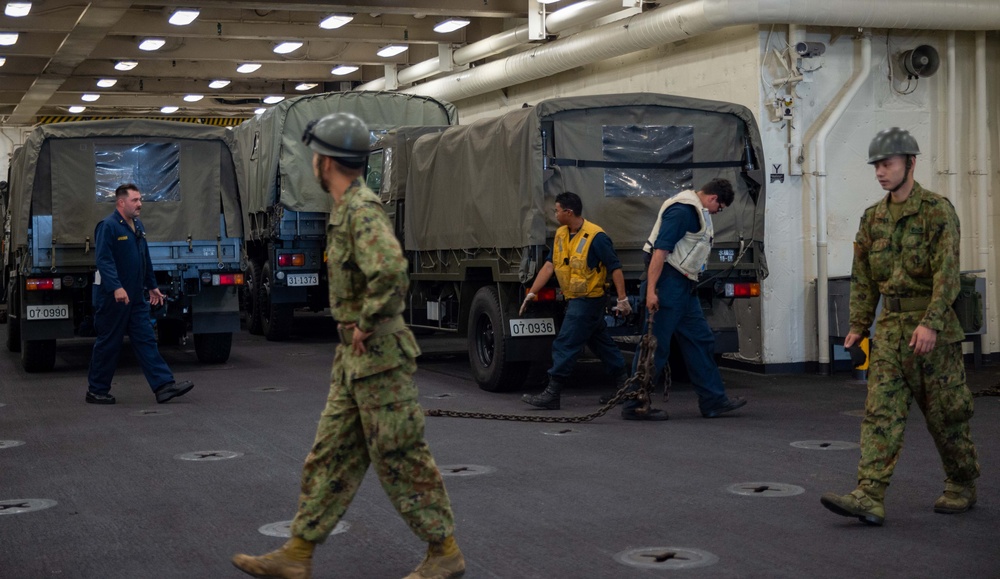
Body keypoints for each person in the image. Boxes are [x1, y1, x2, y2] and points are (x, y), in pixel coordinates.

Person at [232, 112, 464, 579]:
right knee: (330, 455)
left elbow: (392, 272)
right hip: (354, 362)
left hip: (378, 357)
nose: (314, 162)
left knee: (400, 452)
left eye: (316, 153)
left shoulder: (361, 210)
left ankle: (444, 551)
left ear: (327, 161)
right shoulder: (344, 210)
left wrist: (365, 320)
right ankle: (297, 553)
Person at [820, 127, 980, 526]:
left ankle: (962, 482)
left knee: (946, 415)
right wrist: (858, 324)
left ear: (910, 162)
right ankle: (869, 494)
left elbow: (948, 275)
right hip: (890, 331)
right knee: (880, 413)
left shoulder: (936, 211)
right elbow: (864, 276)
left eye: (887, 164)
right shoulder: (872, 218)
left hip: (933, 334)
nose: (880, 172)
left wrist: (932, 323)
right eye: (876, 165)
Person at [624, 178, 747, 420]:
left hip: (684, 285)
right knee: (655, 345)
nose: (717, 212)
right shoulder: (682, 211)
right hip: (667, 283)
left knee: (700, 340)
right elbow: (660, 252)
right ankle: (634, 405)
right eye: (719, 207)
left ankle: (713, 401)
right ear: (713, 198)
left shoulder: (697, 211)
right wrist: (651, 292)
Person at [520, 191, 633, 411]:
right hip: (575, 300)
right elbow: (550, 266)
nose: (555, 214)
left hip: (588, 300)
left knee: (565, 343)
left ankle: (552, 393)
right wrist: (532, 293)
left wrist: (623, 299)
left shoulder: (596, 236)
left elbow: (615, 268)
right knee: (601, 343)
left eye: (557, 210)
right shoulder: (562, 234)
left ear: (568, 212)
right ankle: (625, 387)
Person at [86, 183, 193, 405]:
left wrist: (152, 285)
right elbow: (104, 261)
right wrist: (116, 286)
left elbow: (144, 258)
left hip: (135, 297)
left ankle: (164, 386)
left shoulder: (137, 226)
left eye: (140, 199)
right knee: (108, 344)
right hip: (113, 298)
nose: (140, 204)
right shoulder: (108, 226)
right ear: (121, 202)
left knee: (146, 340)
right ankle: (96, 390)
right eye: (135, 200)